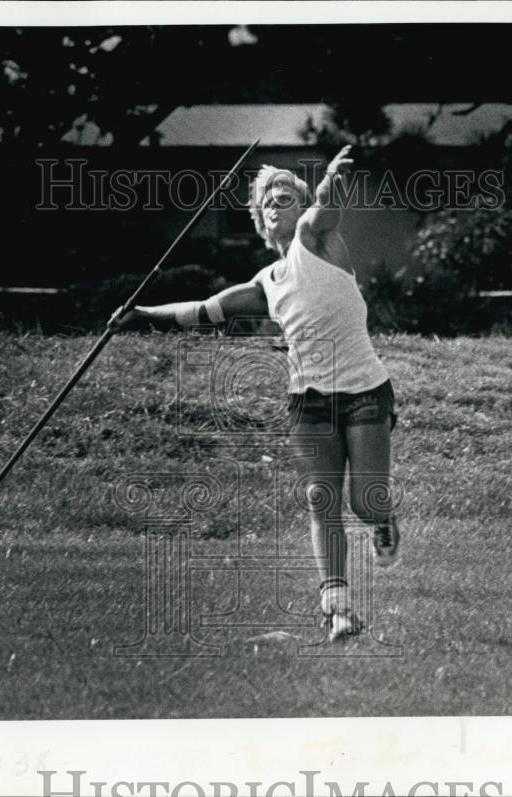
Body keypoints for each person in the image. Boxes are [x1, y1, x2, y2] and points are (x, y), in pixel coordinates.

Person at [109, 146, 400, 642]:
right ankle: (338, 609)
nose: (274, 204)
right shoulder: (266, 283)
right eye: (267, 200)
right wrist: (143, 314)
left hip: (363, 390)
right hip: (308, 401)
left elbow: (328, 204)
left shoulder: (317, 237)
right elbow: (203, 309)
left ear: (300, 206)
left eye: (285, 197)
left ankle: (383, 521)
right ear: (260, 221)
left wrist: (330, 175)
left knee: (365, 499)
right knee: (319, 498)